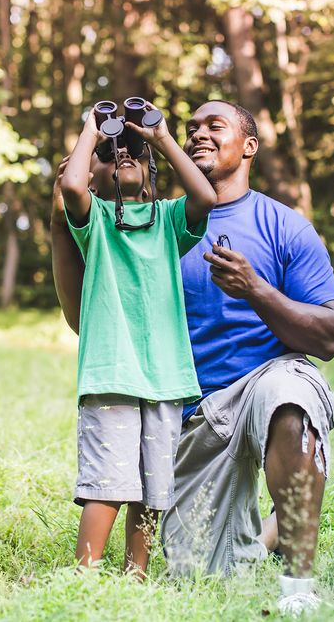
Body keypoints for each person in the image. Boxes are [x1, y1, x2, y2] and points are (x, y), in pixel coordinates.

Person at [52, 100, 334, 614]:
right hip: (188, 412)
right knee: (198, 565)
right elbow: (84, 318)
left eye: (215, 125)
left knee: (289, 400)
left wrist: (258, 290)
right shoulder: (150, 222)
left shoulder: (283, 226)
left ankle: (298, 585)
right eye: (190, 128)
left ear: (249, 145)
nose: (198, 134)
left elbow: (328, 337)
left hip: (263, 383)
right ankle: (269, 525)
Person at [59, 104, 216, 577]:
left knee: (153, 487)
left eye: (133, 154)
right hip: (112, 371)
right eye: (112, 155)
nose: (122, 156)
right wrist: (92, 130)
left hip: (165, 375)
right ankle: (85, 575)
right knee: (108, 483)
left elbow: (205, 197)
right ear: (100, 175)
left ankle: (136, 574)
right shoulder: (96, 220)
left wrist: (162, 138)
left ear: (151, 172)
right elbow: (71, 186)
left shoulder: (169, 219)